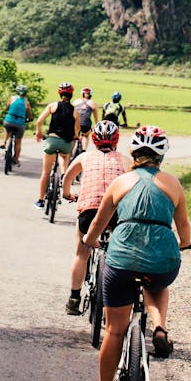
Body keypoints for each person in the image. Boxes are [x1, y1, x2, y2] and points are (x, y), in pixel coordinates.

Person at [82, 125, 191, 381]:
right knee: (157, 284)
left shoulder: (121, 182)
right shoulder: (173, 184)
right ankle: (159, 327)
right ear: (162, 155)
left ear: (133, 151)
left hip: (121, 262)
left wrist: (88, 241)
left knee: (114, 330)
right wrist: (185, 244)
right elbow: (183, 228)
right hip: (163, 262)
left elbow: (98, 224)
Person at [61, 120, 131, 314]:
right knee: (119, 252)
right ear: (116, 140)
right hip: (117, 211)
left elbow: (67, 177)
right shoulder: (125, 160)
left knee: (81, 253)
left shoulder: (85, 156)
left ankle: (74, 299)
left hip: (89, 209)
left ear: (93, 139)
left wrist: (67, 194)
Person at [33, 82, 77, 209]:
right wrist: (75, 136)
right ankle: (63, 175)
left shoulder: (53, 105)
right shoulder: (75, 111)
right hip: (66, 144)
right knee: (65, 155)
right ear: (71, 95)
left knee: (46, 172)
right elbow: (76, 131)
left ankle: (40, 200)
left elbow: (39, 121)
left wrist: (39, 133)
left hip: (52, 141)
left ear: (60, 93)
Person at [0, 84, 33, 165]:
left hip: (9, 120)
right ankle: (16, 159)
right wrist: (29, 119)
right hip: (20, 123)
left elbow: (6, 108)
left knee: (6, 128)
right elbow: (30, 115)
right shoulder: (26, 103)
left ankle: (4, 142)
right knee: (18, 142)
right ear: (25, 93)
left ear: (17, 91)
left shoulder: (12, 98)